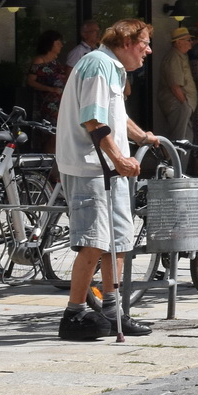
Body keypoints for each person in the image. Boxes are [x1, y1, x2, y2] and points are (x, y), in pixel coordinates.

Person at [54, 19, 158, 341]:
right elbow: (92, 118)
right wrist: (118, 158)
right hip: (90, 167)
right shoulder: (98, 65)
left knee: (119, 242)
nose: (148, 49)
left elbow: (115, 113)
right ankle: (73, 314)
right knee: (94, 243)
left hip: (107, 169)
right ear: (126, 41)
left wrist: (142, 137)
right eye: (144, 42)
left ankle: (114, 312)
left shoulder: (112, 67)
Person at [155, 26, 197, 143]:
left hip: (183, 104)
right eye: (188, 40)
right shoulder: (174, 58)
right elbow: (175, 85)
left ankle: (181, 161)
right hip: (178, 104)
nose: (191, 42)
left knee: (187, 138)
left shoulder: (181, 56)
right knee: (179, 139)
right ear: (178, 42)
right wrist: (185, 104)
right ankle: (173, 160)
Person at [26, 30, 67, 132]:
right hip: (47, 102)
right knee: (51, 133)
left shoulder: (55, 60)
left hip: (59, 101)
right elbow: (31, 81)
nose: (61, 45)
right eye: (58, 43)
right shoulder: (40, 60)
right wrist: (51, 89)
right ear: (50, 44)